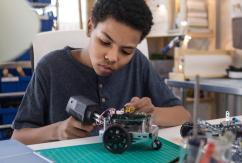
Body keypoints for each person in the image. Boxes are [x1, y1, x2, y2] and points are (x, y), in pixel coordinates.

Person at [12, 0, 191, 145]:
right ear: (90, 27)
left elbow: (183, 115)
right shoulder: (51, 67)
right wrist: (57, 131)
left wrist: (151, 114)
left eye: (126, 51)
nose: (112, 57)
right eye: (105, 42)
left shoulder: (138, 64)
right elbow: (18, 137)